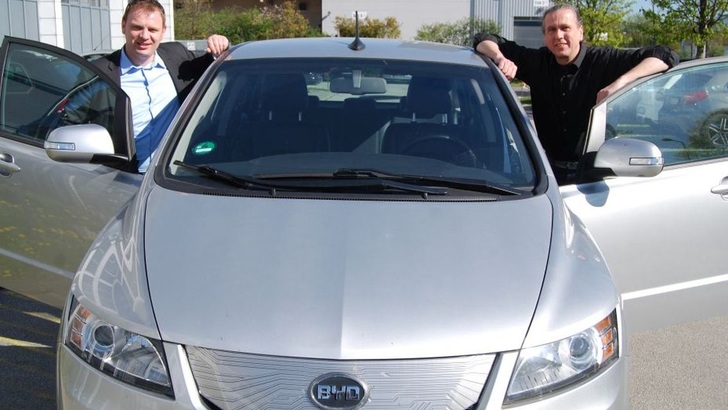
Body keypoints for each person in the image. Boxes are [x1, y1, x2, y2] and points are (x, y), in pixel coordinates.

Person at [473, 4, 679, 184]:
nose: (558, 35)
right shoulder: (537, 62)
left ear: (580, 32)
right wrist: (500, 58)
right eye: (551, 30)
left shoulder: (603, 60)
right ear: (545, 36)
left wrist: (620, 83)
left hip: (594, 172)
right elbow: (483, 40)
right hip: (546, 172)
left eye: (565, 28)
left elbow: (665, 55)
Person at [92, 0, 230, 173]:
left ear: (163, 31)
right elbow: (75, 120)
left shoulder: (178, 55)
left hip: (177, 177)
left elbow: (213, 65)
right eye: (136, 27)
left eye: (152, 29)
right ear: (123, 26)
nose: (144, 36)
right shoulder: (100, 72)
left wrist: (220, 43)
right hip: (123, 180)